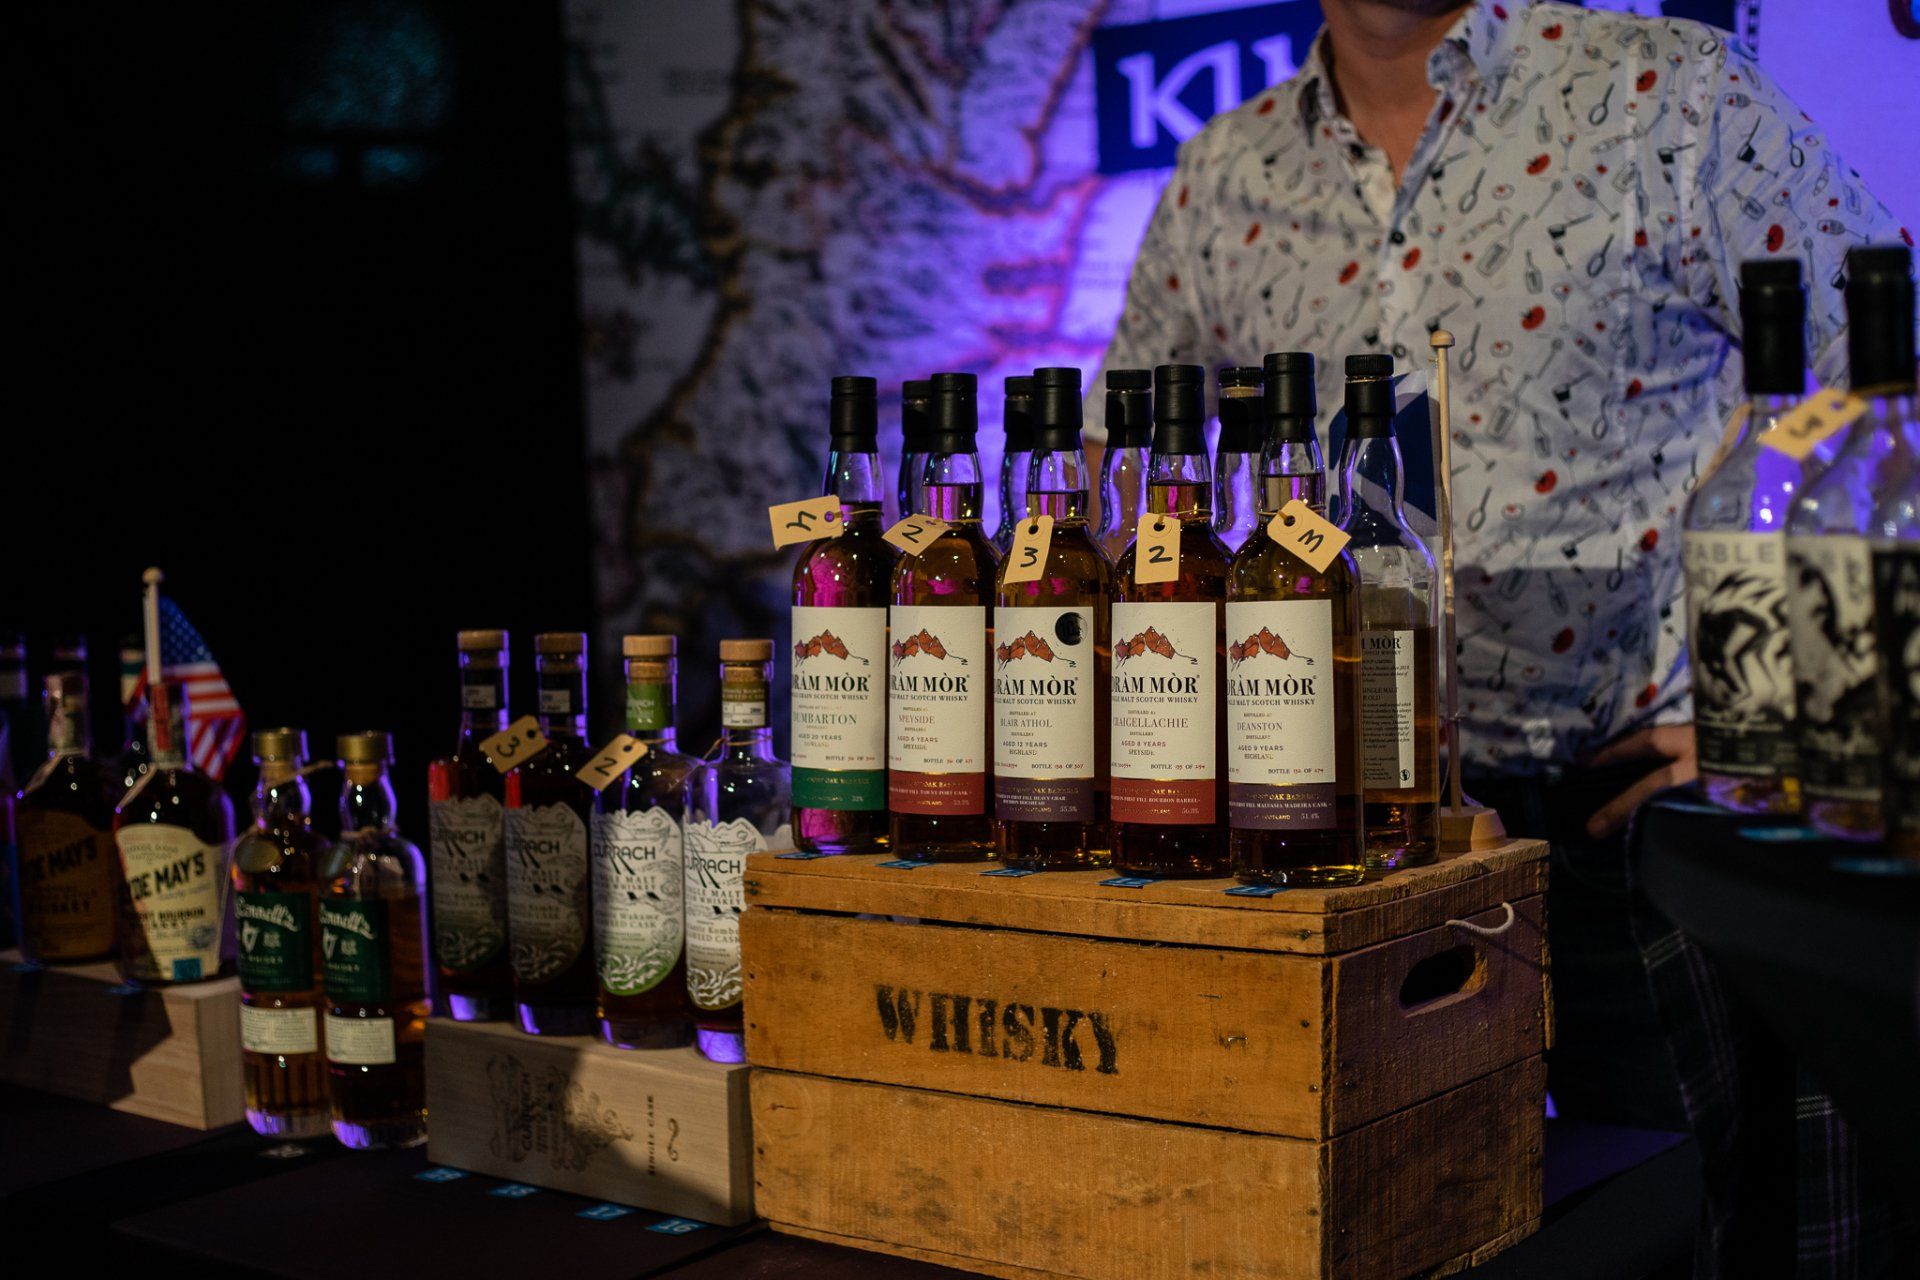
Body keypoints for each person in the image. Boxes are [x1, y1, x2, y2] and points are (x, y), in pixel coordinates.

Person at [1094, 0, 1913, 1270]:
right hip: (1351, 842)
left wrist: (1788, 715)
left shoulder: (1664, 91)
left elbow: (1891, 379)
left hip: (1633, 826)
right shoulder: (1223, 170)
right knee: (1389, 1235)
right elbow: (1121, 462)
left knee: (1692, 1237)